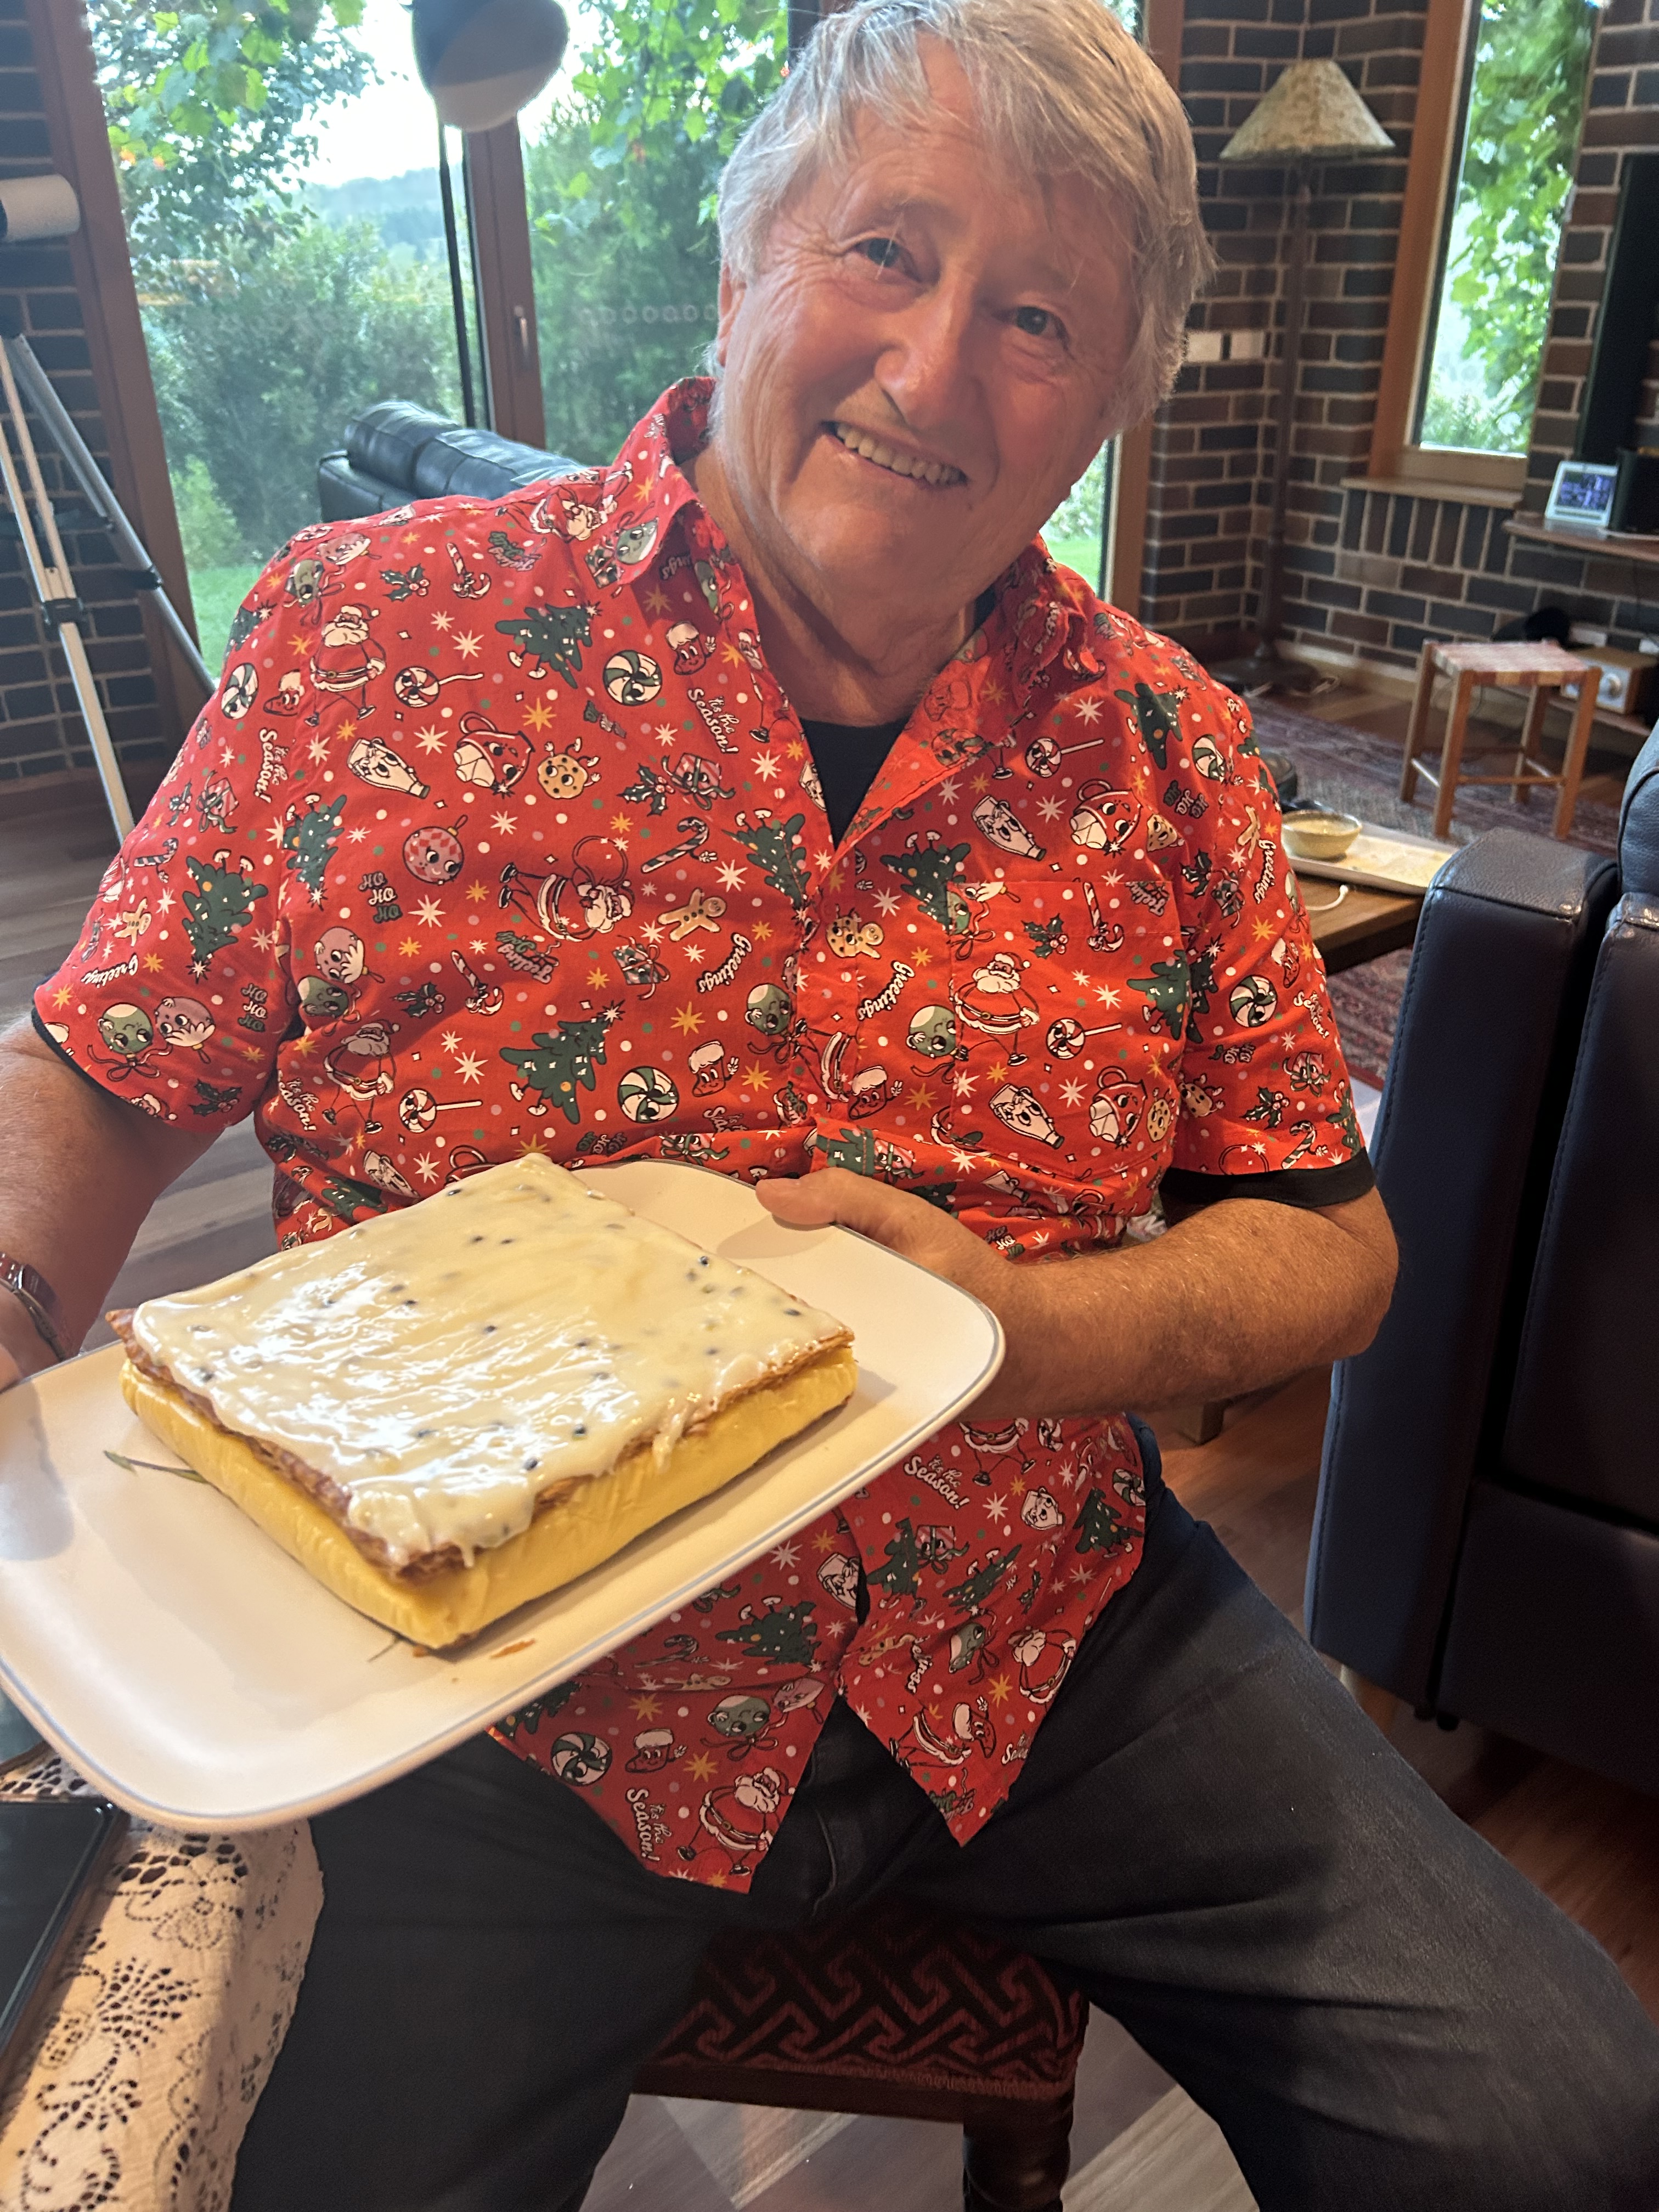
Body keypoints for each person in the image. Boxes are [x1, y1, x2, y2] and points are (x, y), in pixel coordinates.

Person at [3, 1, 1657, 2204]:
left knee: (1562, 2127)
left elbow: (1332, 1250)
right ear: (743, 263)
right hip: (491, 1693)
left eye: (1040, 318)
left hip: (1044, 1636)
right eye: (885, 250)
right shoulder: (363, 639)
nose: (937, 369)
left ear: (1112, 400)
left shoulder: (1170, 748)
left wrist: (1025, 1331)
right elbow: (96, 1067)